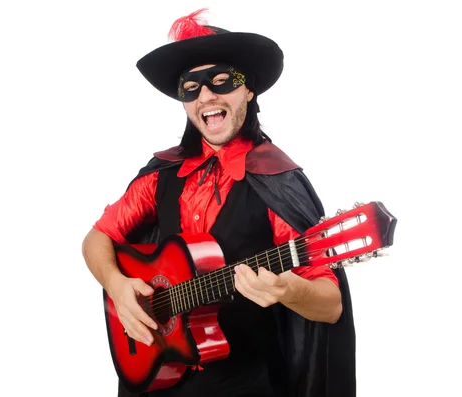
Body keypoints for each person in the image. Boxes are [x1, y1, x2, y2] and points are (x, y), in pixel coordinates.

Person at [82, 8, 356, 397]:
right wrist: (117, 284)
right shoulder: (162, 173)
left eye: (222, 81)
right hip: (157, 370)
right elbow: (96, 239)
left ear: (248, 90)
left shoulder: (275, 177)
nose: (206, 95)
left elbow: (330, 305)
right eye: (191, 87)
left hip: (245, 382)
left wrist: (289, 291)